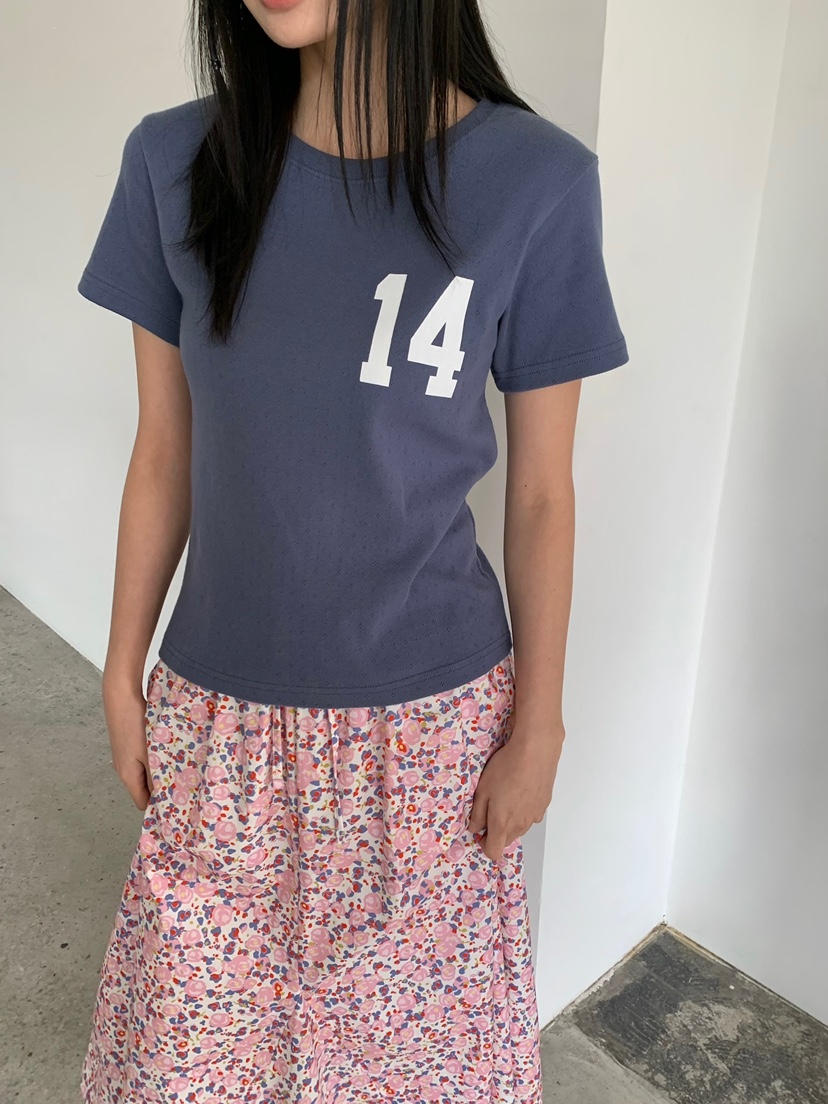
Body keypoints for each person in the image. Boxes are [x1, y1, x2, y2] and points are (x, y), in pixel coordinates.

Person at [76, 0, 629, 1100]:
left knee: (412, 1075)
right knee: (187, 1066)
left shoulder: (538, 181)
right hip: (220, 724)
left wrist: (541, 725)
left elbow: (541, 495)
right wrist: (120, 668)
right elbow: (164, 450)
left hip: (429, 744)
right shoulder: (174, 162)